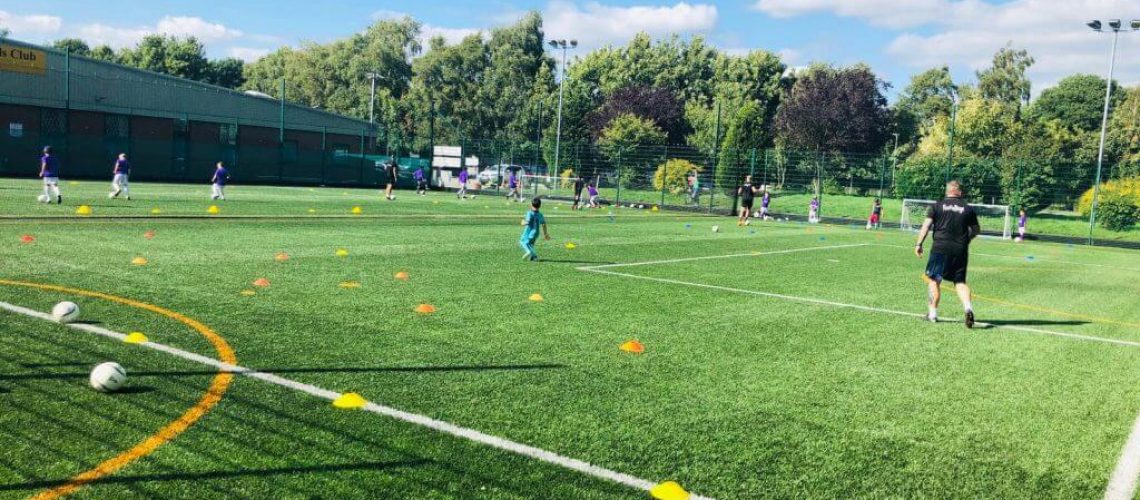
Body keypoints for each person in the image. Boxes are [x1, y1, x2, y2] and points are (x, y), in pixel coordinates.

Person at [915, 180, 980, 328]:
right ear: (960, 192)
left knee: (934, 280)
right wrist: (967, 239)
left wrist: (919, 244)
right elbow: (976, 230)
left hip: (940, 248)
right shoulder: (968, 209)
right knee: (960, 282)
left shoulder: (936, 206)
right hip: (960, 249)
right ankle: (968, 308)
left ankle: (932, 314)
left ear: (947, 192)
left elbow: (926, 226)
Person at [519, 197, 551, 261]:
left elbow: (527, 222)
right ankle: (534, 257)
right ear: (540, 206)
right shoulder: (540, 214)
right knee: (531, 244)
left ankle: (528, 252)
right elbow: (543, 224)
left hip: (529, 232)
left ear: (531, 204)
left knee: (522, 242)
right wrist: (545, 234)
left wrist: (522, 222)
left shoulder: (529, 213)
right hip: (536, 233)